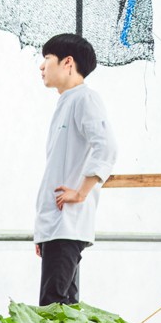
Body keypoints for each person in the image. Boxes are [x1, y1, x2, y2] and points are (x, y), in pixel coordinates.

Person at [33, 33, 118, 306]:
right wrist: (42, 233)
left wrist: (81, 192)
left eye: (47, 58)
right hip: (57, 227)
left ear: (67, 62)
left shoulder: (85, 99)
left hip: (67, 225)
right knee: (63, 307)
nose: (41, 66)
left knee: (53, 307)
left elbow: (106, 146)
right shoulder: (68, 101)